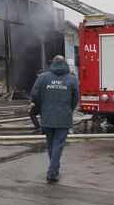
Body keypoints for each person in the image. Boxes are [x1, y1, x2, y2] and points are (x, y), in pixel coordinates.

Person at [31, 55, 79, 184]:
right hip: (63, 117)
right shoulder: (72, 79)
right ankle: (52, 172)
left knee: (51, 145)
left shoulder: (43, 77)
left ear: (53, 62)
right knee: (58, 145)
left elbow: (34, 93)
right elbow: (76, 98)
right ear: (64, 63)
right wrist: (69, 109)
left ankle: (54, 169)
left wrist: (41, 107)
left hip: (47, 116)